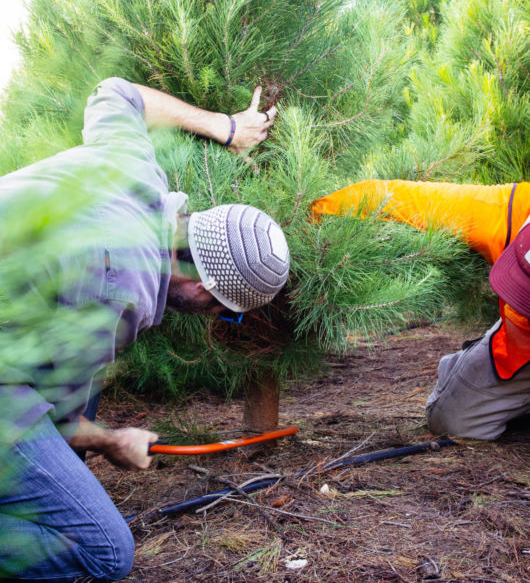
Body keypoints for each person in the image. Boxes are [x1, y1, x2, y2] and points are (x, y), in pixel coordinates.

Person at [0, 78, 290, 580]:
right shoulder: (117, 297)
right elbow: (49, 420)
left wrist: (227, 129)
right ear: (204, 287)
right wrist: (113, 440)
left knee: (81, 396)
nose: (216, 320)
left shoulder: (135, 170)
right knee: (106, 553)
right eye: (226, 312)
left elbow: (117, 92)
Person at [311, 178, 530, 441]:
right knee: (452, 419)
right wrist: (313, 215)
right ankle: (466, 371)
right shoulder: (507, 210)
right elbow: (402, 199)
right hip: (520, 353)